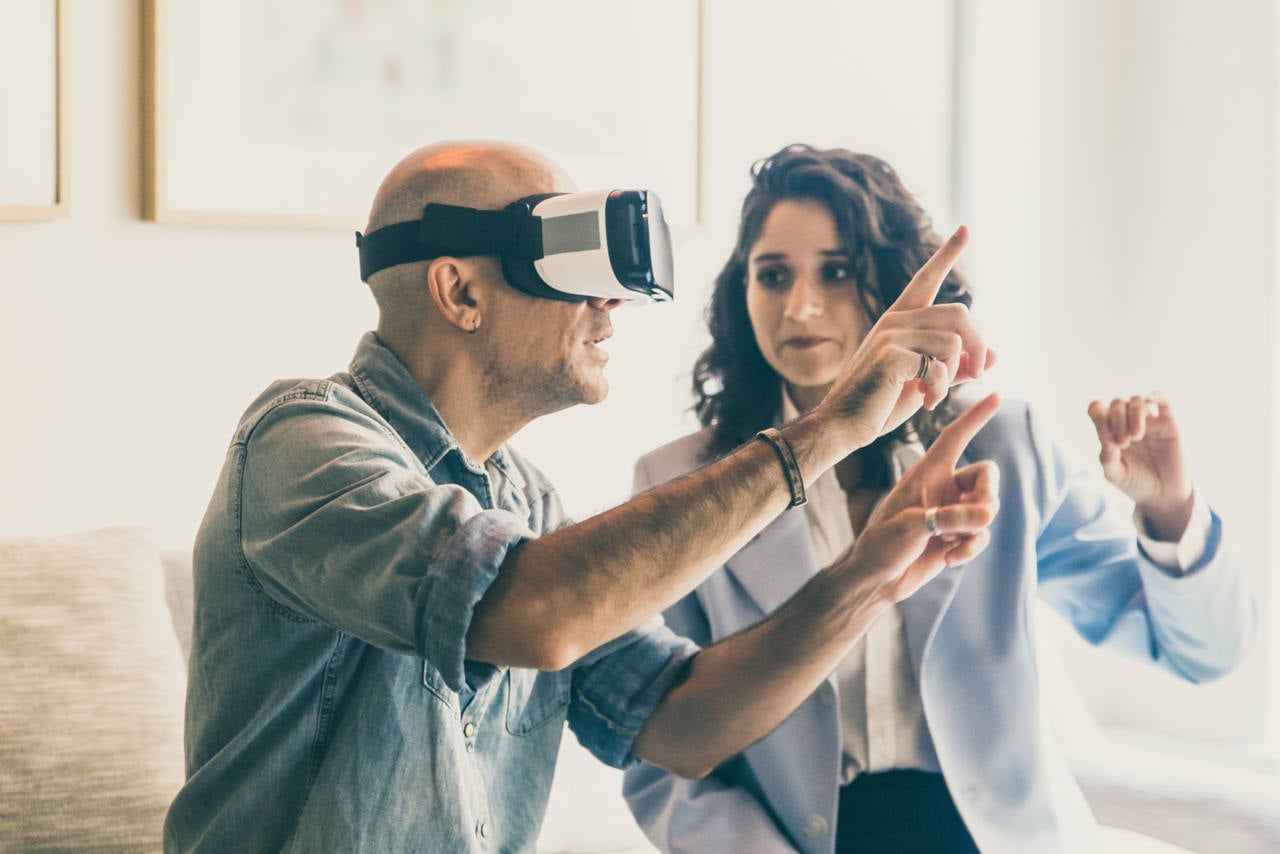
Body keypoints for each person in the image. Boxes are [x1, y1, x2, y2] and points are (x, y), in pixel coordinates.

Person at [161, 140, 1003, 852]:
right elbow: (537, 614)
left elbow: (682, 725)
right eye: (567, 259)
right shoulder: (301, 441)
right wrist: (828, 431)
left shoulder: (527, 504)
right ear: (460, 293)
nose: (610, 298)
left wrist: (863, 576)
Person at [622, 144, 1257, 854]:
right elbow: (661, 760)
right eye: (773, 275)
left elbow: (1207, 653)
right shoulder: (681, 484)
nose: (800, 305)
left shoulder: (1003, 444)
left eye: (836, 271)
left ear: (897, 284)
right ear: (742, 293)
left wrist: (1170, 510)